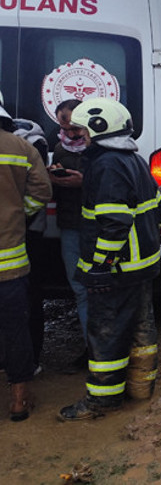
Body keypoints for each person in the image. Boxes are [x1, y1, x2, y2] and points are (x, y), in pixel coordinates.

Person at [58, 98, 161, 421]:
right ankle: (140, 389)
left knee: (106, 333)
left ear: (99, 128)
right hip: (142, 266)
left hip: (117, 270)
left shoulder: (105, 166)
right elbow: (158, 208)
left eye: (81, 131)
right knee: (141, 329)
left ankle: (102, 401)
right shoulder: (135, 160)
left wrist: (102, 266)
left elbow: (114, 223)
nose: (79, 137)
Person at [0, 90, 53, 421]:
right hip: (10, 262)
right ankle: (19, 400)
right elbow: (42, 191)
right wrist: (20, 213)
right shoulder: (22, 148)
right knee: (16, 328)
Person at [48, 99, 89, 369]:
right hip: (69, 225)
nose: (71, 133)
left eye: (76, 126)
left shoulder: (100, 149)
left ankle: (104, 348)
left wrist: (84, 182)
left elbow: (114, 184)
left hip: (96, 226)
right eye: (65, 126)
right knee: (80, 290)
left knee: (101, 290)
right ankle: (91, 348)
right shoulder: (58, 148)